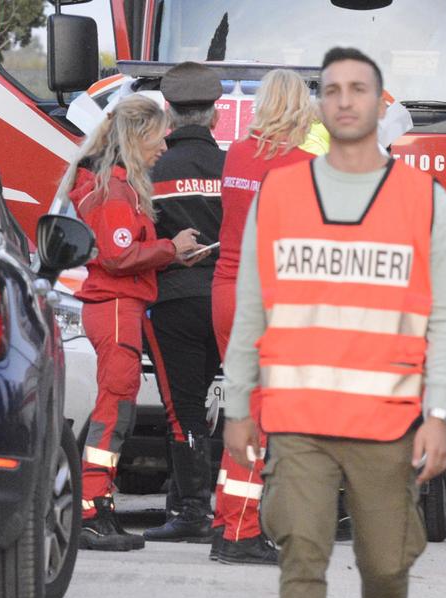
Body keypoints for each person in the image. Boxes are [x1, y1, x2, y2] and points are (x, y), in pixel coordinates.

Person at [222, 47, 446, 598]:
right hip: (298, 423)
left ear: (379, 105)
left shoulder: (423, 199)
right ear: (318, 108)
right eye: (332, 90)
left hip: (385, 425)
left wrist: (437, 413)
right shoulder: (279, 195)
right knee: (301, 555)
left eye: (359, 89)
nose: (345, 101)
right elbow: (251, 309)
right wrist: (237, 404)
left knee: (386, 567)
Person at [54, 94, 202, 551]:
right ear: (137, 137)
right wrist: (169, 250)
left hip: (121, 305)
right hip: (118, 305)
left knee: (117, 409)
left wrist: (168, 254)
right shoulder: (115, 192)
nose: (163, 148)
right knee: (114, 409)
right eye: (158, 139)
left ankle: (97, 507)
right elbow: (118, 256)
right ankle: (92, 508)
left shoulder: (116, 187)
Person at [209, 68, 324, 565]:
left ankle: (230, 521)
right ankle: (237, 531)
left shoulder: (235, 152)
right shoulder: (303, 166)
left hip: (225, 290)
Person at [142, 61, 223, 544]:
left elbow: (136, 236)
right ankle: (199, 497)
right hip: (227, 300)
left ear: (168, 114)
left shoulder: (151, 169)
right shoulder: (233, 167)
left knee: (184, 406)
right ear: (214, 115)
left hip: (171, 300)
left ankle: (192, 507)